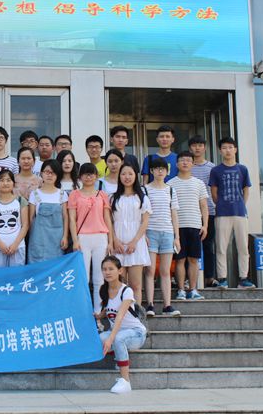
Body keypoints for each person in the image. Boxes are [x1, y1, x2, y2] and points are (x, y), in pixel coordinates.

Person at [97, 255, 147, 394]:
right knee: (100, 339)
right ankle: (119, 356)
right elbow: (108, 310)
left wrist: (111, 339)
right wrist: (98, 316)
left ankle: (125, 381)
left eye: (111, 269)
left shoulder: (126, 291)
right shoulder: (104, 290)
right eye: (104, 269)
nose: (107, 272)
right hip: (119, 332)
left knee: (118, 339)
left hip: (136, 333)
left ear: (119, 271)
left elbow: (119, 316)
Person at [209, 137, 255, 289]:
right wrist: (222, 204)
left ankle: (243, 278)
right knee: (221, 247)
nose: (227, 150)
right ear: (220, 151)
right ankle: (222, 279)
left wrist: (241, 205)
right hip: (222, 213)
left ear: (235, 149)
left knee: (243, 247)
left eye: (230, 147)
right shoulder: (216, 170)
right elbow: (214, 193)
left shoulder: (243, 169)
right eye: (224, 148)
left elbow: (246, 190)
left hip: (240, 213)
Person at [68, 163, 113, 313]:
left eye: (92, 174)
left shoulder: (102, 195)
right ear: (80, 177)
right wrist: (75, 240)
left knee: (99, 278)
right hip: (82, 238)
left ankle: (98, 312)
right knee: (83, 277)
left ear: (96, 176)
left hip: (100, 237)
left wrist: (110, 240)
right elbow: (72, 219)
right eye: (85, 174)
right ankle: (84, 312)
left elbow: (107, 218)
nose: (88, 177)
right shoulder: (74, 194)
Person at [168, 151, 209, 300]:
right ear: (177, 164)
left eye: (188, 160)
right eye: (182, 160)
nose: (185, 163)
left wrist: (205, 225)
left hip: (195, 225)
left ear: (192, 164)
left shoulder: (199, 183)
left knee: (193, 259)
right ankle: (180, 290)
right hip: (177, 228)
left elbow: (204, 206)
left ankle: (193, 289)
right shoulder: (170, 184)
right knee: (179, 259)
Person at [110, 163, 152, 306]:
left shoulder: (143, 198)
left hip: (136, 245)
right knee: (119, 284)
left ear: (135, 176)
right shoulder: (113, 198)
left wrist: (134, 242)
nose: (127, 177)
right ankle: (118, 314)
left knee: (135, 285)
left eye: (130, 174)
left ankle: (136, 314)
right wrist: (115, 240)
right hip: (118, 245)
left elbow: (145, 222)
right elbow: (109, 222)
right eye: (123, 174)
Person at [144, 157, 181, 317]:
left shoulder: (171, 190)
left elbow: (174, 214)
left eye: (163, 169)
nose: (160, 171)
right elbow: (142, 214)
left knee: (165, 271)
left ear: (167, 171)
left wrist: (177, 237)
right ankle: (150, 305)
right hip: (150, 232)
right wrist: (143, 234)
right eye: (157, 169)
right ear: (151, 171)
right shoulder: (145, 189)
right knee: (150, 270)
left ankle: (167, 305)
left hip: (167, 233)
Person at [189, 135, 218, 287]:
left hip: (210, 211)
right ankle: (189, 278)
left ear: (205, 148)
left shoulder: (212, 168)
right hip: (190, 213)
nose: (197, 148)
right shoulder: (187, 166)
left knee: (208, 245)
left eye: (200, 145)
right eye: (194, 145)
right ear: (190, 148)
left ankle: (209, 277)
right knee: (189, 247)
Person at [0, 170, 29, 267]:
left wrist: (15, 245)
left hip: (18, 247)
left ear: (13, 183)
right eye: (2, 180)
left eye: (8, 180)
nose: (5, 183)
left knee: (16, 275)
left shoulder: (21, 200)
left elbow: (25, 225)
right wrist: (0, 245)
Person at [28, 160, 68, 263]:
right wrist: (33, 237)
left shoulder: (62, 194)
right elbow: (31, 218)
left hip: (57, 239)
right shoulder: (34, 194)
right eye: (47, 172)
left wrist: (65, 236)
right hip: (38, 238)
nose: (49, 175)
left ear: (57, 175)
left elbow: (65, 217)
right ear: (41, 173)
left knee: (56, 265)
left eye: (53, 173)